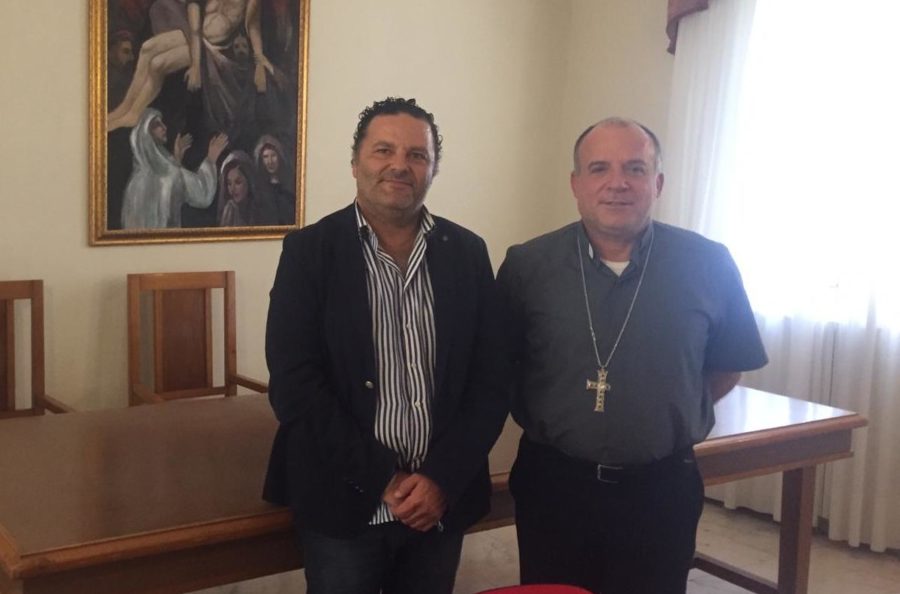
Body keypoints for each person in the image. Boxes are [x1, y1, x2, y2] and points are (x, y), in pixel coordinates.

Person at [496, 117, 768, 594]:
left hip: (661, 489)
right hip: (554, 485)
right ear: (576, 184)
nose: (617, 182)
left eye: (635, 169)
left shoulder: (708, 263)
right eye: (599, 168)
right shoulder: (527, 265)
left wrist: (664, 411)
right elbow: (501, 365)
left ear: (657, 183)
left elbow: (728, 363)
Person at [263, 97, 508, 594]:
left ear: (433, 169)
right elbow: (294, 385)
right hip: (344, 502)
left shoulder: (467, 253)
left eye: (417, 155)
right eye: (383, 150)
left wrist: (440, 479)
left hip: (438, 505)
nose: (400, 165)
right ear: (355, 162)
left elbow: (491, 380)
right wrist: (384, 480)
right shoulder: (309, 252)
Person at [107, 0, 277, 132]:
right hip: (195, 38)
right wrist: (195, 64)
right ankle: (124, 108)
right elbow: (194, 27)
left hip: (213, 50)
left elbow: (253, 26)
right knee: (146, 49)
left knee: (158, 64)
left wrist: (259, 60)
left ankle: (134, 114)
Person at [121, 108, 228, 229]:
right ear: (146, 133)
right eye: (157, 125)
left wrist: (176, 159)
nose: (164, 127)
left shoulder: (135, 182)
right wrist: (211, 158)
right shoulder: (172, 174)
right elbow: (203, 194)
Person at [253, 134, 295, 224]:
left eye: (273, 155)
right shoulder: (259, 192)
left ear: (279, 157)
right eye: (265, 157)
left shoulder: (289, 188)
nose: (270, 161)